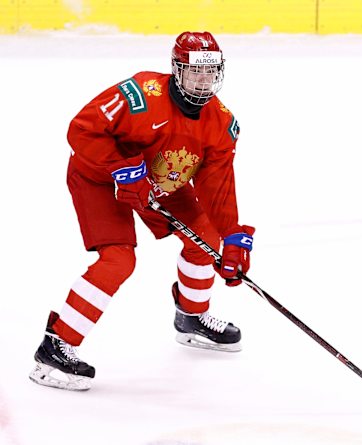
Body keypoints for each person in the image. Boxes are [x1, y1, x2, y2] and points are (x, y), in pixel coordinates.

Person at [29, 31, 254, 391]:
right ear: (176, 70)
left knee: (208, 241)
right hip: (99, 177)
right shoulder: (139, 95)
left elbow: (218, 187)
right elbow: (82, 130)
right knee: (119, 260)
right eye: (195, 72)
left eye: (210, 73)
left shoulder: (221, 124)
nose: (203, 81)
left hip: (162, 181)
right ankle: (55, 347)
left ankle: (191, 318)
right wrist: (123, 167)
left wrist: (232, 238)